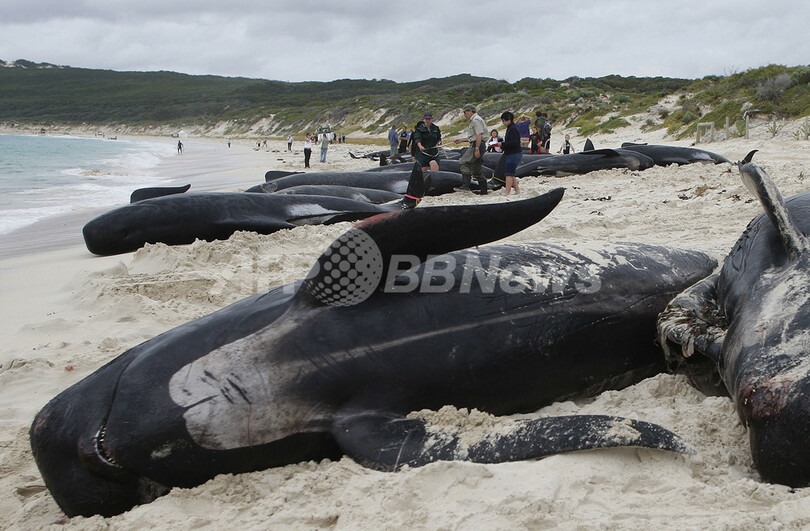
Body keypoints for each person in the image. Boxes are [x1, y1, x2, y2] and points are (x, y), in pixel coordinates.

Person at [454, 104, 488, 194]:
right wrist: (462, 140)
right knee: (476, 169)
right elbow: (474, 136)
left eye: (465, 113)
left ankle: (465, 185)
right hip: (479, 144)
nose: (465, 115)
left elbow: (479, 135)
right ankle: (484, 190)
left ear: (469, 111)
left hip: (477, 145)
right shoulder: (476, 119)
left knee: (463, 162)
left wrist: (476, 148)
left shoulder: (476, 120)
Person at [499, 111, 522, 196]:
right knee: (511, 173)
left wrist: (502, 144)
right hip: (513, 153)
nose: (503, 122)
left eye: (503, 120)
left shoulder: (512, 129)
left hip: (513, 153)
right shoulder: (511, 128)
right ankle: (517, 190)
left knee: (508, 174)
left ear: (508, 120)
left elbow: (514, 143)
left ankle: (507, 192)